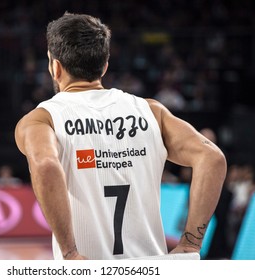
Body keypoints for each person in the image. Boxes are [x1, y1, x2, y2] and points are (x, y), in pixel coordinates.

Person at [14, 13, 226, 260]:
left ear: (55, 67)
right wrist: (191, 243)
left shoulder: (42, 119)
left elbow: (46, 165)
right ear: (104, 65)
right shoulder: (150, 112)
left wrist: (70, 252)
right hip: (151, 271)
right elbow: (212, 158)